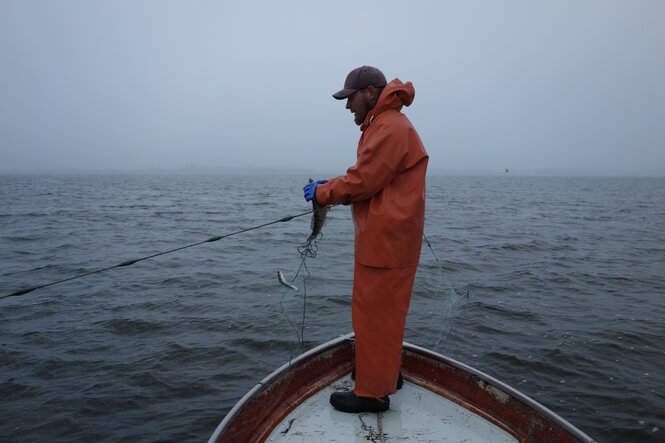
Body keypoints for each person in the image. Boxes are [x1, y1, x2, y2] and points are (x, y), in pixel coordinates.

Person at [303, 66, 429, 413]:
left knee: (374, 316)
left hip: (387, 241)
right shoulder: (387, 124)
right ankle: (386, 374)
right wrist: (331, 187)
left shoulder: (388, 126)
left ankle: (372, 394)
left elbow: (363, 182)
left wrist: (323, 192)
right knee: (385, 314)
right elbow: (370, 176)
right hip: (391, 239)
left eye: (350, 99)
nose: (347, 107)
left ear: (371, 92)